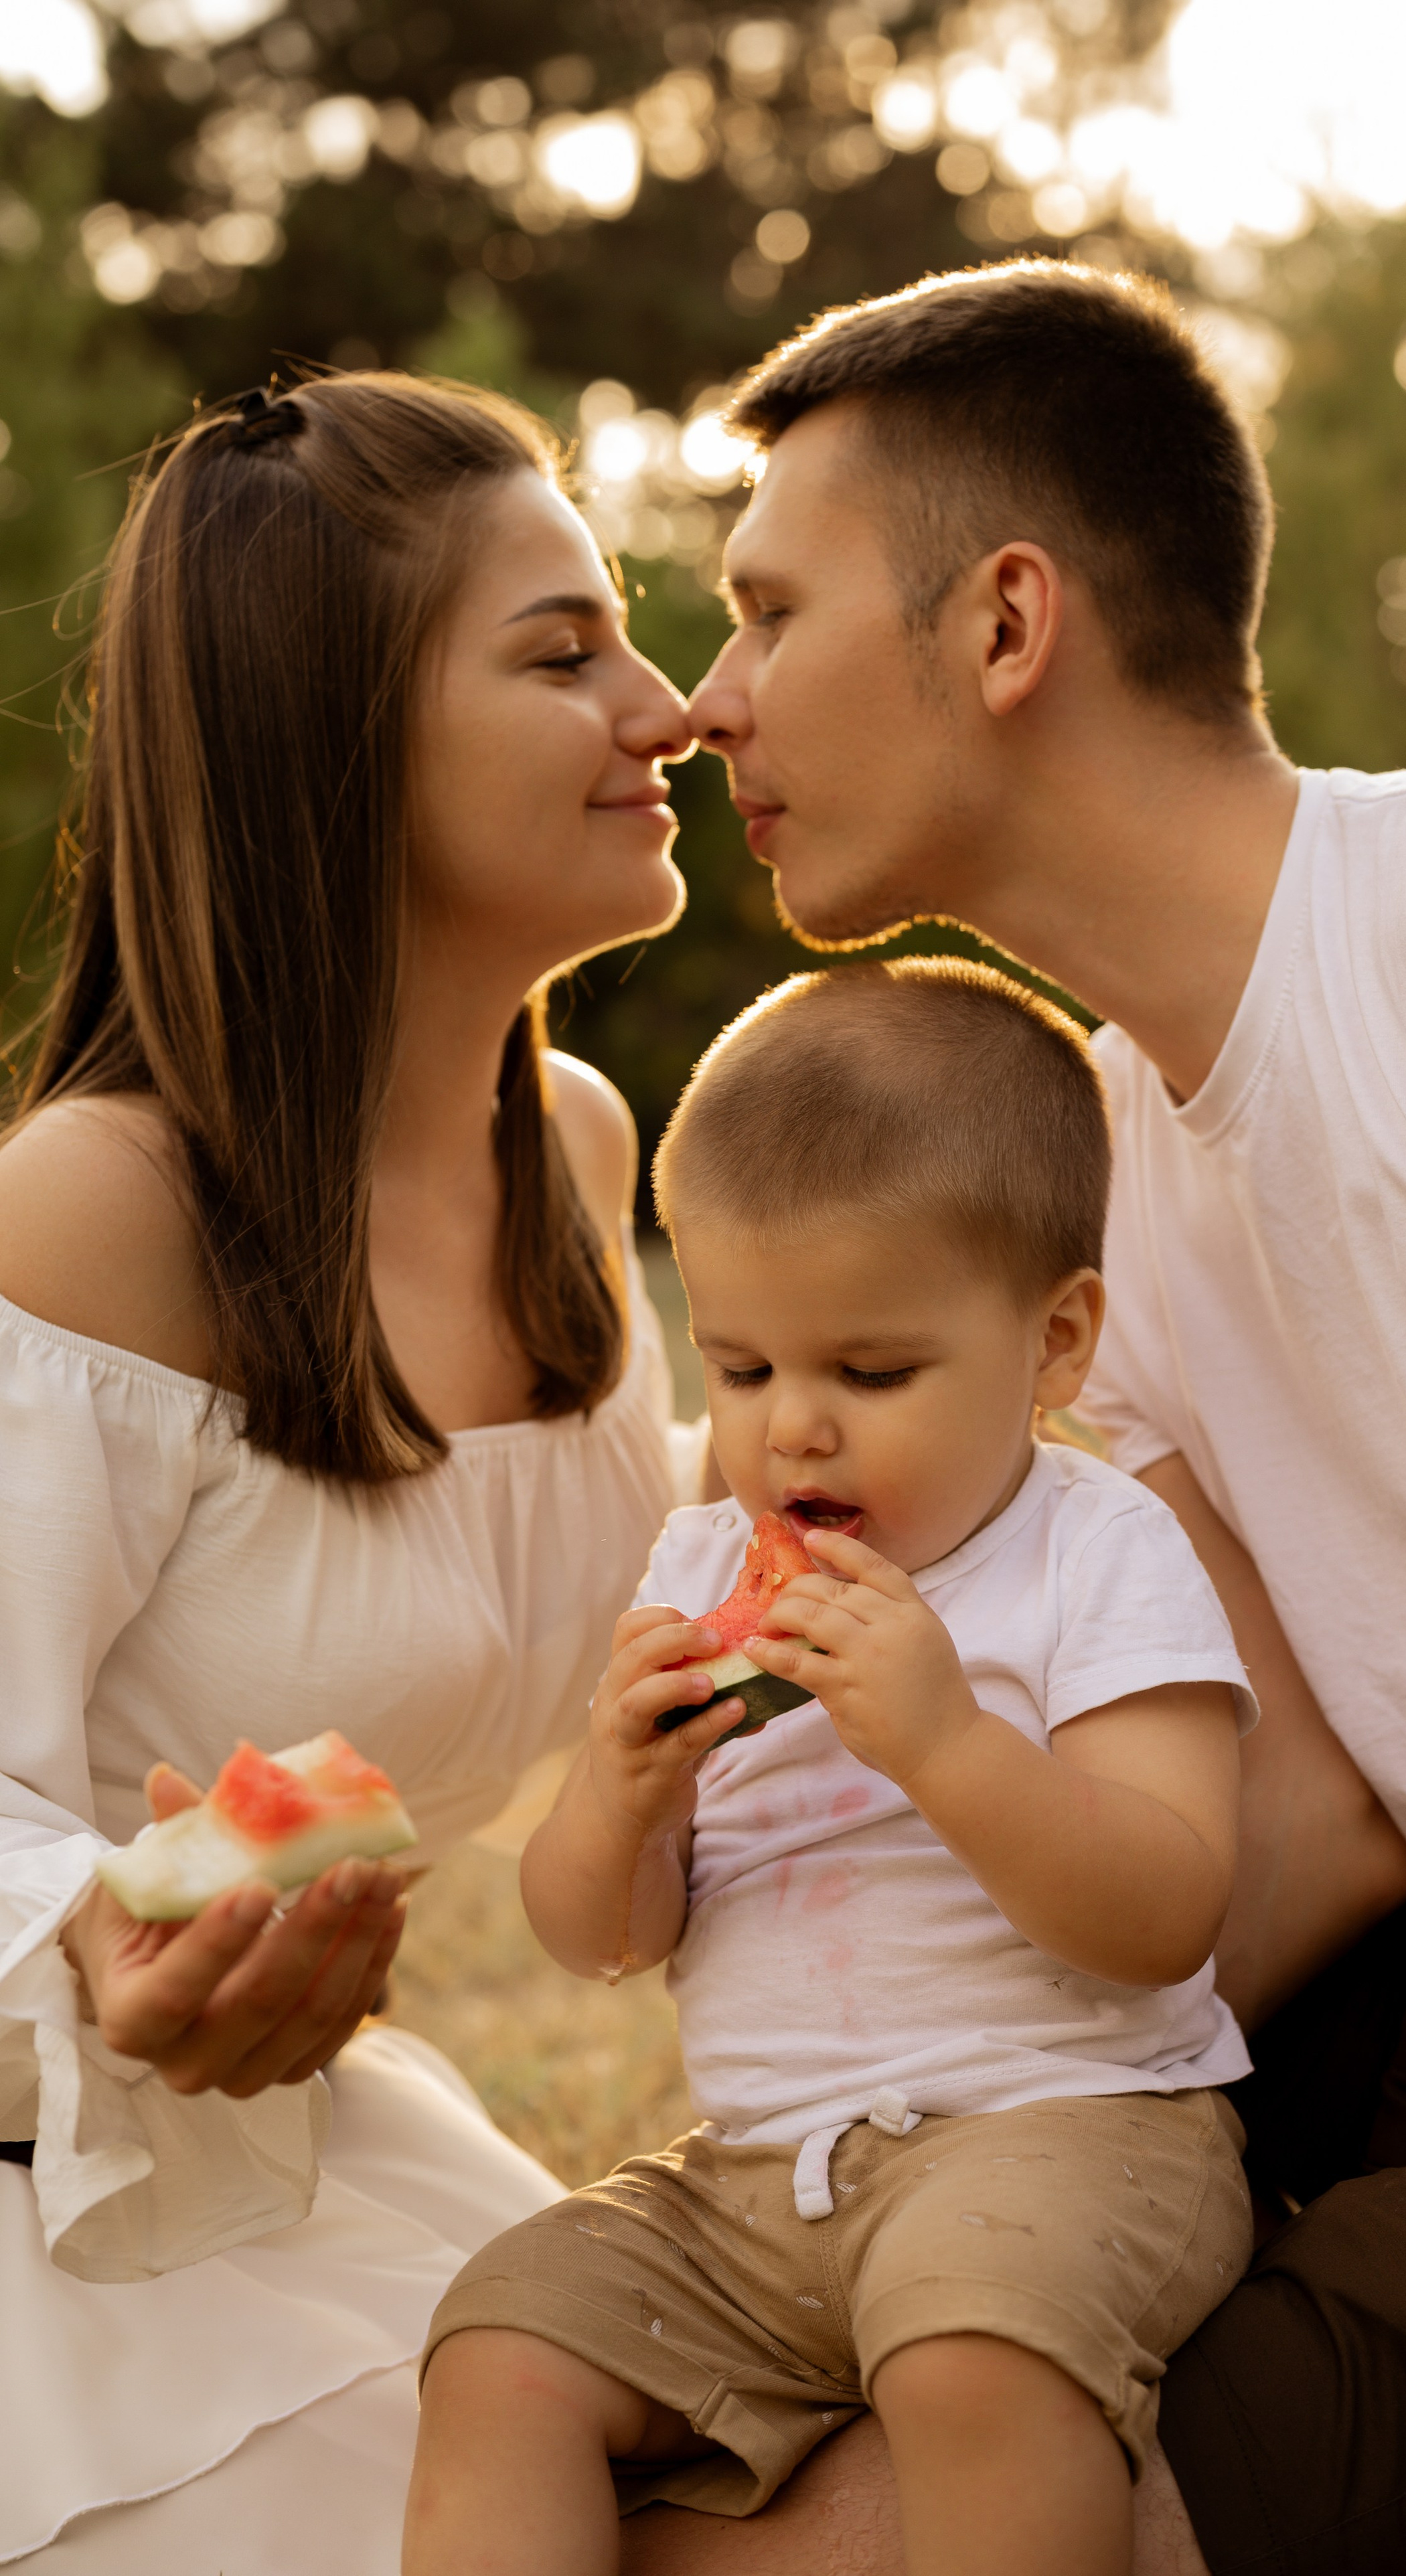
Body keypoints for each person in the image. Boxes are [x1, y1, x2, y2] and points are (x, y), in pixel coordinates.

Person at [663, 262, 1406, 2576]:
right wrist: (860, 2145)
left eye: (766, 608)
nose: (705, 701)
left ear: (1007, 621)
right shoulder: (1096, 1191)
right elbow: (1312, 1793)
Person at [0, 372, 698, 2571]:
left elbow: (624, 1585)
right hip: (63, 2231)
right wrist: (88, 1933)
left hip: (315, 2146)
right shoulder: (95, 1208)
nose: (665, 705)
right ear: (336, 736)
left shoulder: (575, 1151)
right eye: (561, 650)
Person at [405, 960, 1257, 2576]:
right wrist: (620, 1799)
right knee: (497, 2343)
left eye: (868, 1374)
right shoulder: (698, 1561)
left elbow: (1166, 1907)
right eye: (739, 1369)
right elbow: (594, 1935)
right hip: (753, 2181)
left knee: (968, 2358)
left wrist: (944, 1745)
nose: (791, 1431)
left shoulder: (1095, 1550)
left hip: (1067, 2128)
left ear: (1053, 1340)